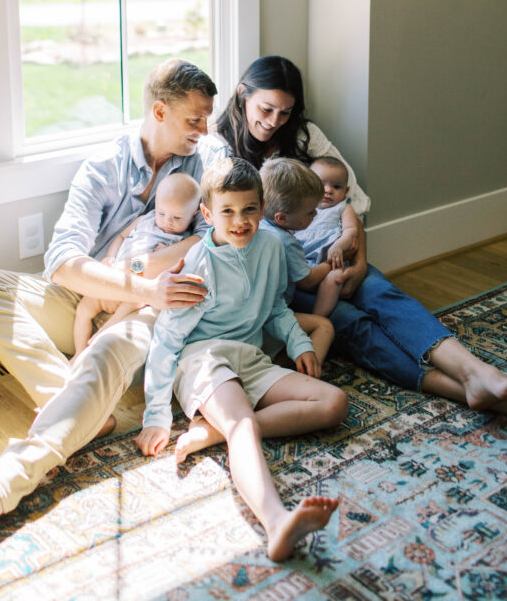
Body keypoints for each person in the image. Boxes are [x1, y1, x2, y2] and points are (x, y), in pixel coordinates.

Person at [0, 58, 219, 548]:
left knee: (105, 350)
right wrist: (134, 284)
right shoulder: (104, 168)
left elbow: (217, 240)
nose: (204, 129)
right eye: (195, 119)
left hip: (156, 309)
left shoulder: (205, 163)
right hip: (96, 294)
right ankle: (71, 399)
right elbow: (61, 261)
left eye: (209, 117)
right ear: (160, 111)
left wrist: (146, 288)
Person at [213, 55, 507, 413]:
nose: (275, 121)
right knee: (352, 324)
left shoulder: (305, 136)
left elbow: (354, 200)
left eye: (285, 112)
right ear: (243, 94)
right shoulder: (220, 152)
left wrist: (360, 262)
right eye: (267, 108)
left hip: (334, 255)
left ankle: (478, 372)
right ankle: (460, 390)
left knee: (382, 293)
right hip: (282, 277)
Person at [136, 157, 348, 562]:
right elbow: (166, 340)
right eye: (227, 211)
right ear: (207, 213)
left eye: (250, 209)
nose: (240, 221)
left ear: (264, 207)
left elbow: (274, 308)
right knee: (245, 422)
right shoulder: (199, 263)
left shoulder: (269, 246)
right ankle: (276, 521)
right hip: (203, 359)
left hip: (250, 357)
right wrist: (156, 415)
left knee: (334, 402)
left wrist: (299, 342)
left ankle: (220, 432)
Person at [72, 172, 202, 357]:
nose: (167, 222)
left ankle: (106, 329)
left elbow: (165, 273)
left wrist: (162, 255)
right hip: (113, 278)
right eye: (162, 213)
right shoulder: (144, 220)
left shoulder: (181, 240)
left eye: (177, 218)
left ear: (194, 213)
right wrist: (111, 257)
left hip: (137, 289)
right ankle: (79, 351)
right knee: (83, 309)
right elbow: (121, 236)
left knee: (139, 298)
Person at [259, 157, 346, 362]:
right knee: (324, 327)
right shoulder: (285, 241)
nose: (315, 214)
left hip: (247, 312)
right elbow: (307, 279)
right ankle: (305, 378)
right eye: (309, 212)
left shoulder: (258, 225)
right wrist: (327, 265)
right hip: (269, 317)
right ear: (281, 218)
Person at [296, 157, 361, 269]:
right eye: (321, 185)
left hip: (331, 258)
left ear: (345, 191)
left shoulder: (344, 208)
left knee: (335, 279)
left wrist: (338, 246)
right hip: (300, 257)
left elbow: (351, 230)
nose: (328, 190)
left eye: (336, 187)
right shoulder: (301, 206)